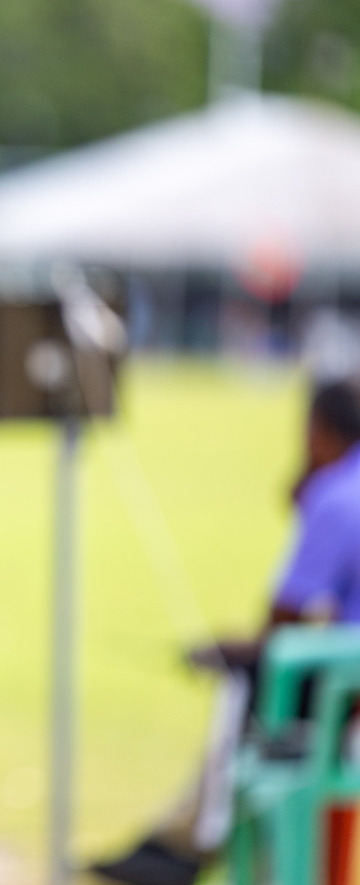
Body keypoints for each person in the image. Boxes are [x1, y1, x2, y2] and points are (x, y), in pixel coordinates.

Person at [89, 377, 360, 885]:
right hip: (346, 671)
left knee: (249, 680)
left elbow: (285, 622)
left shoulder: (338, 495)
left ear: (318, 430)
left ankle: (193, 842)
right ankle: (187, 838)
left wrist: (224, 651)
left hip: (347, 691)